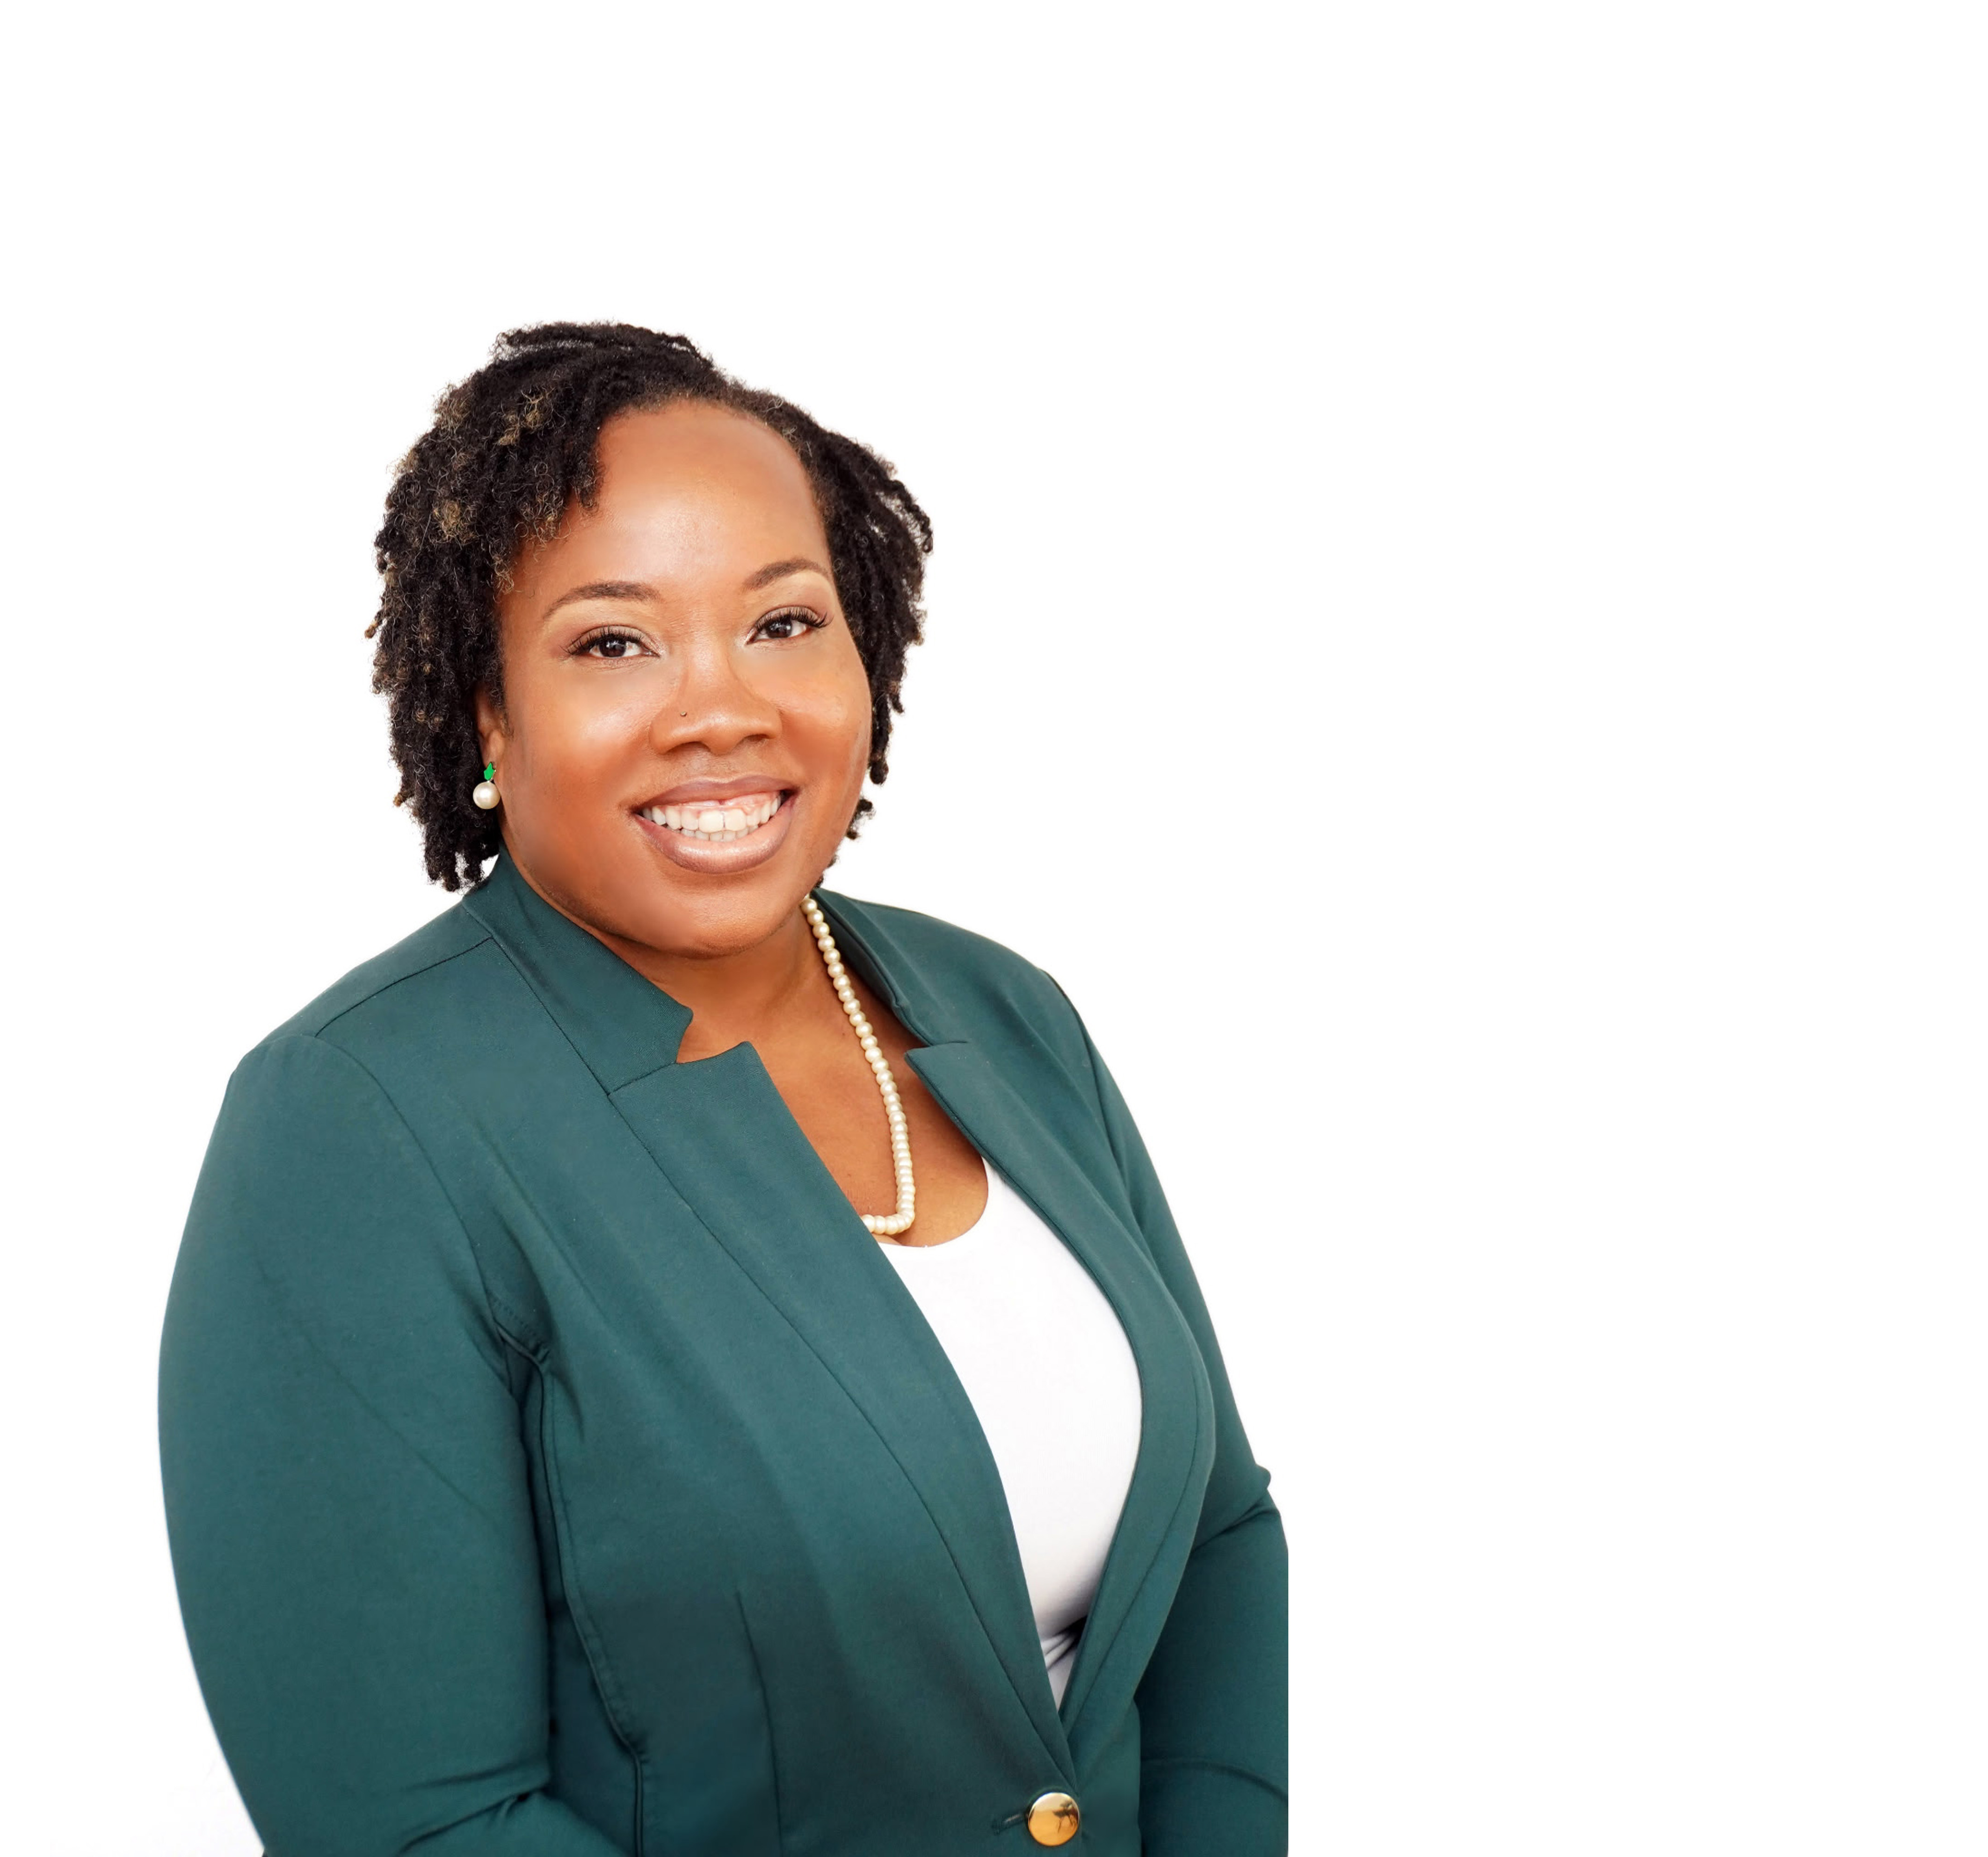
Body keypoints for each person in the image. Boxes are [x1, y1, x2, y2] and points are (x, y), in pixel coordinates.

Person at [157, 324, 1286, 1857]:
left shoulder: (1004, 1013)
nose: (723, 710)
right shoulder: (354, 1127)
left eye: (783, 623)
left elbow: (1216, 1538)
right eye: (614, 644)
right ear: (486, 708)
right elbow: (425, 1825)